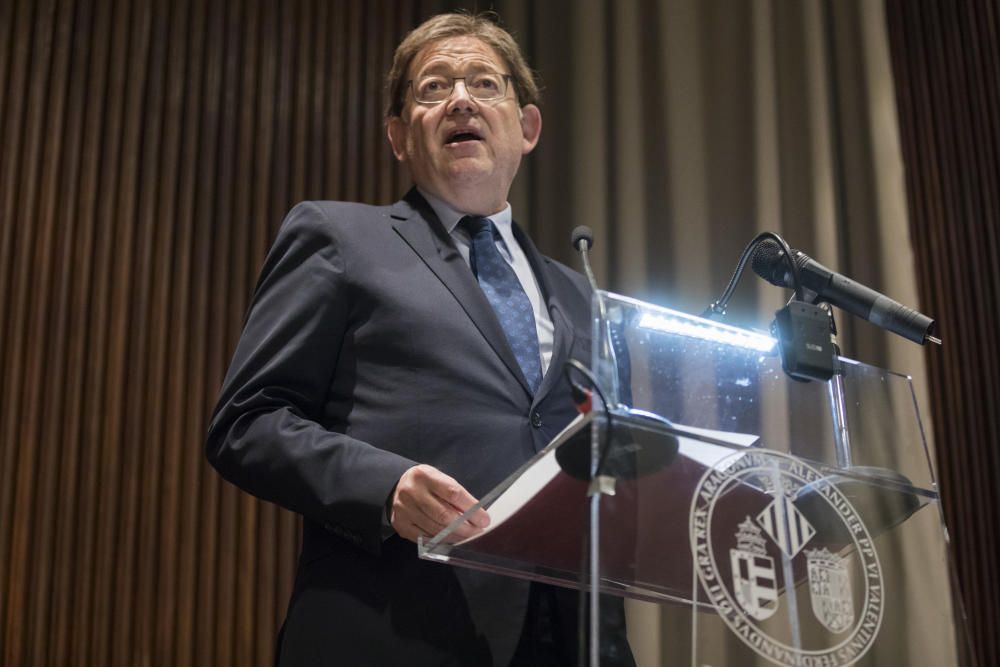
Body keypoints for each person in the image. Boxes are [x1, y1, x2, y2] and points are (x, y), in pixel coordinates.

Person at [207, 12, 633, 666]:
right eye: (433, 88)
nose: (460, 98)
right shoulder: (340, 239)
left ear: (528, 128)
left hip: (566, 640)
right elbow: (247, 422)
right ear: (400, 136)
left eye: (484, 83)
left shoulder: (584, 295)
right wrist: (385, 484)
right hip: (395, 630)